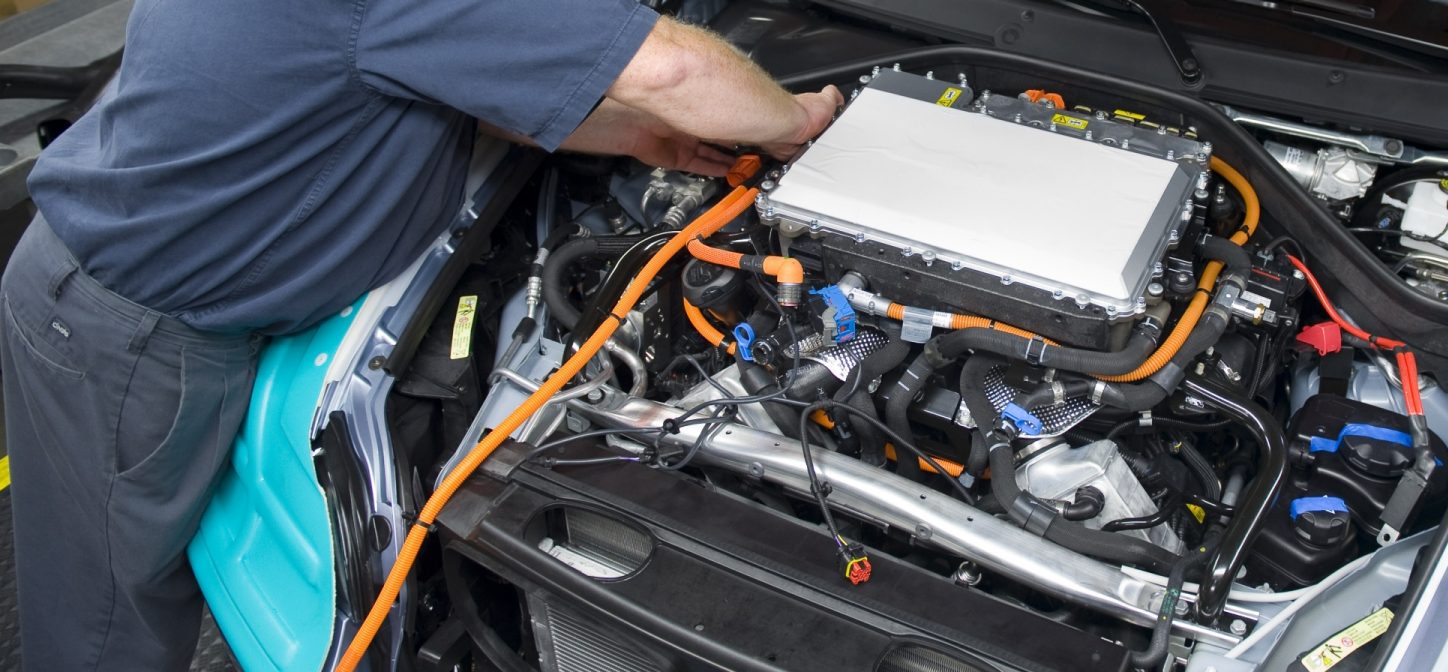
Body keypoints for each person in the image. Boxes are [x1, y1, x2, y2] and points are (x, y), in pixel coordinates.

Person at [1, 0, 840, 667]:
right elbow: (672, 65)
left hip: (179, 282)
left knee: (144, 569)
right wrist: (800, 124)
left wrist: (647, 138)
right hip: (125, 324)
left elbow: (469, 86)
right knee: (109, 623)